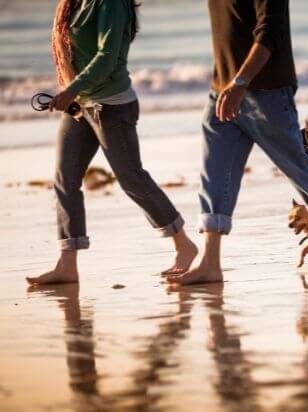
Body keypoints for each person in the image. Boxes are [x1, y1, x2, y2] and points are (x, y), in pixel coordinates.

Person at [168, 0, 308, 285]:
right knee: (215, 171)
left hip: (265, 91)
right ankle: (210, 261)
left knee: (296, 165)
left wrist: (241, 81)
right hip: (222, 89)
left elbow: (270, 31)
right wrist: (231, 84)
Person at [27, 0, 197, 285]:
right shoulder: (74, 3)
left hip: (112, 107)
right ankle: (67, 264)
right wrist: (74, 93)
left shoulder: (111, 3)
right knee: (64, 178)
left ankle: (184, 245)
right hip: (82, 105)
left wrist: (71, 89)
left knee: (131, 178)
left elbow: (107, 58)